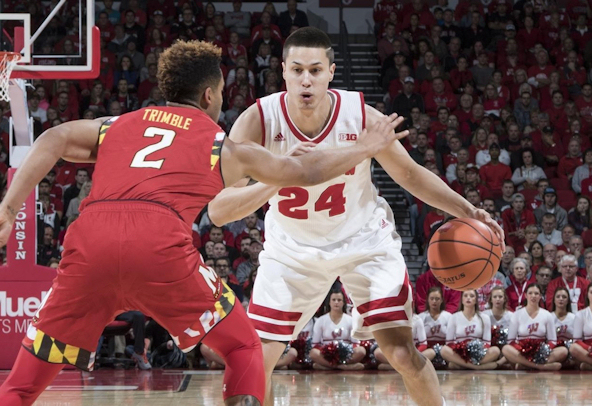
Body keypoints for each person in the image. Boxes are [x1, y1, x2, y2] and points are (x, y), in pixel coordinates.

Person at [0, 40, 405, 406]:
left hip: (90, 243)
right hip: (157, 244)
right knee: (245, 347)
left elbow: (52, 138)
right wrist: (366, 147)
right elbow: (306, 171)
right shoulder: (219, 144)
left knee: (21, 387)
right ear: (210, 95)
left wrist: (9, 207)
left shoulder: (115, 126)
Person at [208, 27, 504, 406]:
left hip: (365, 243)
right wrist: (278, 177)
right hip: (291, 251)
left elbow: (410, 174)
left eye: (315, 70)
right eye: (297, 70)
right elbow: (218, 211)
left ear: (331, 72)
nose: (306, 80)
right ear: (282, 71)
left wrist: (467, 209)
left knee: (400, 354)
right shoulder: (258, 121)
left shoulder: (361, 116)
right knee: (258, 359)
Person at [502, 284, 568, 370]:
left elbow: (552, 340)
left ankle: (524, 365)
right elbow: (511, 340)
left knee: (563, 351)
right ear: (525, 295)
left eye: (536, 293)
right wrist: (523, 349)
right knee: (506, 349)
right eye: (530, 293)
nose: (533, 296)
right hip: (522, 351)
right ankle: (542, 367)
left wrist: (543, 350)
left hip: (541, 351)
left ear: (540, 296)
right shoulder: (516, 314)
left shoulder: (547, 315)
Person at [440, 290, 500, 370]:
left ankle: (461, 366)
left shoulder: (484, 317)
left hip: (479, 353)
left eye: (472, 296)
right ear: (462, 299)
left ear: (476, 300)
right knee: (444, 350)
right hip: (460, 353)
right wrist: (461, 350)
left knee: (496, 351)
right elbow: (449, 343)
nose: (468, 298)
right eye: (465, 296)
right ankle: (477, 367)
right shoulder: (454, 317)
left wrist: (477, 351)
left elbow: (487, 343)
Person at [569, 282, 592, 370]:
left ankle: (589, 366)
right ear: (587, 295)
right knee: (573, 348)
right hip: (589, 351)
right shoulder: (581, 314)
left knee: (583, 365)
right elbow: (577, 340)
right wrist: (589, 348)